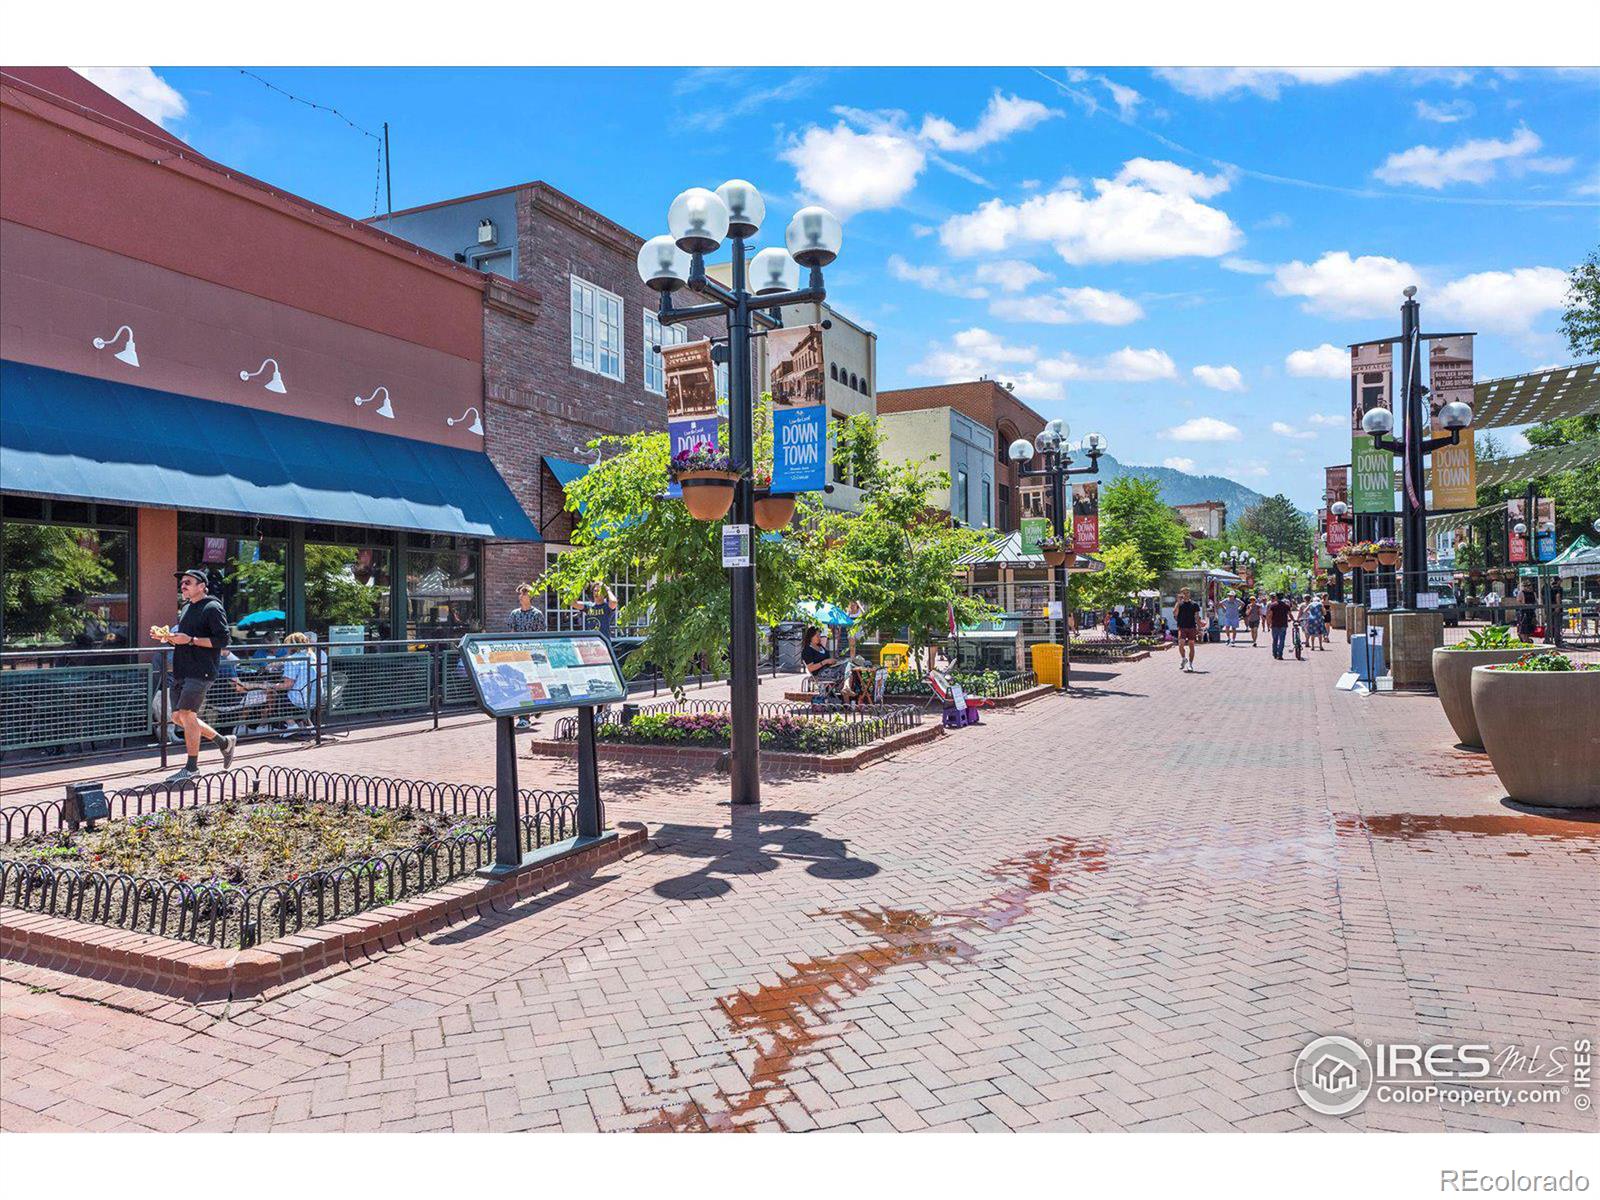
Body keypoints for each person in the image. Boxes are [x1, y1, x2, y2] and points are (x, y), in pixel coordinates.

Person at [152, 567, 236, 783]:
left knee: (187, 715)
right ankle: (223, 742)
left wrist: (190, 640)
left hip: (201, 670)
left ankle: (191, 768)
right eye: (182, 582)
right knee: (177, 717)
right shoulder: (187, 607)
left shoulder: (213, 607)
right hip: (182, 669)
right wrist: (168, 637)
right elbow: (185, 637)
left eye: (188, 582)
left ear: (202, 586)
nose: (183, 585)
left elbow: (223, 641)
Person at [271, 632, 326, 738]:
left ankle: (291, 725)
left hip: (301, 699)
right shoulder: (313, 656)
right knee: (297, 694)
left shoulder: (292, 659)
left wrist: (272, 685)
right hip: (317, 698)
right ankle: (310, 726)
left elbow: (287, 685)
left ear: (292, 646)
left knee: (276, 695)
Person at [508, 584, 546, 728]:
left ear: (530, 597)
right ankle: (525, 716)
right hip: (518, 654)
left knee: (534, 682)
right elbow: (511, 634)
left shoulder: (537, 614)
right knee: (522, 683)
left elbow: (541, 636)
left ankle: (536, 707)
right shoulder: (514, 614)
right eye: (520, 594)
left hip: (533, 653)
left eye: (523, 594)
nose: (520, 597)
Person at [1173, 587, 1201, 673]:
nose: (1185, 594)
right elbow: (1175, 613)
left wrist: (1199, 627)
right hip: (1182, 627)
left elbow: (1196, 616)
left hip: (1191, 627)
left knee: (1191, 646)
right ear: (1181, 594)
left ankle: (1190, 664)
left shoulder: (1194, 604)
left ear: (1189, 593)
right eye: (1183, 593)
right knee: (1181, 644)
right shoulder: (1179, 604)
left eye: (1187, 592)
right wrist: (1178, 602)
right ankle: (1184, 659)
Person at [1267, 592, 1293, 660]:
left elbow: (1270, 615)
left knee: (1275, 639)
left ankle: (1275, 653)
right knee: (1282, 640)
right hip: (1283, 624)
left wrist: (1269, 623)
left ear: (1276, 597)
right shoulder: (1286, 605)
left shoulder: (1273, 605)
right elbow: (1290, 614)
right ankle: (1280, 654)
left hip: (1275, 624)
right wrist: (1294, 620)